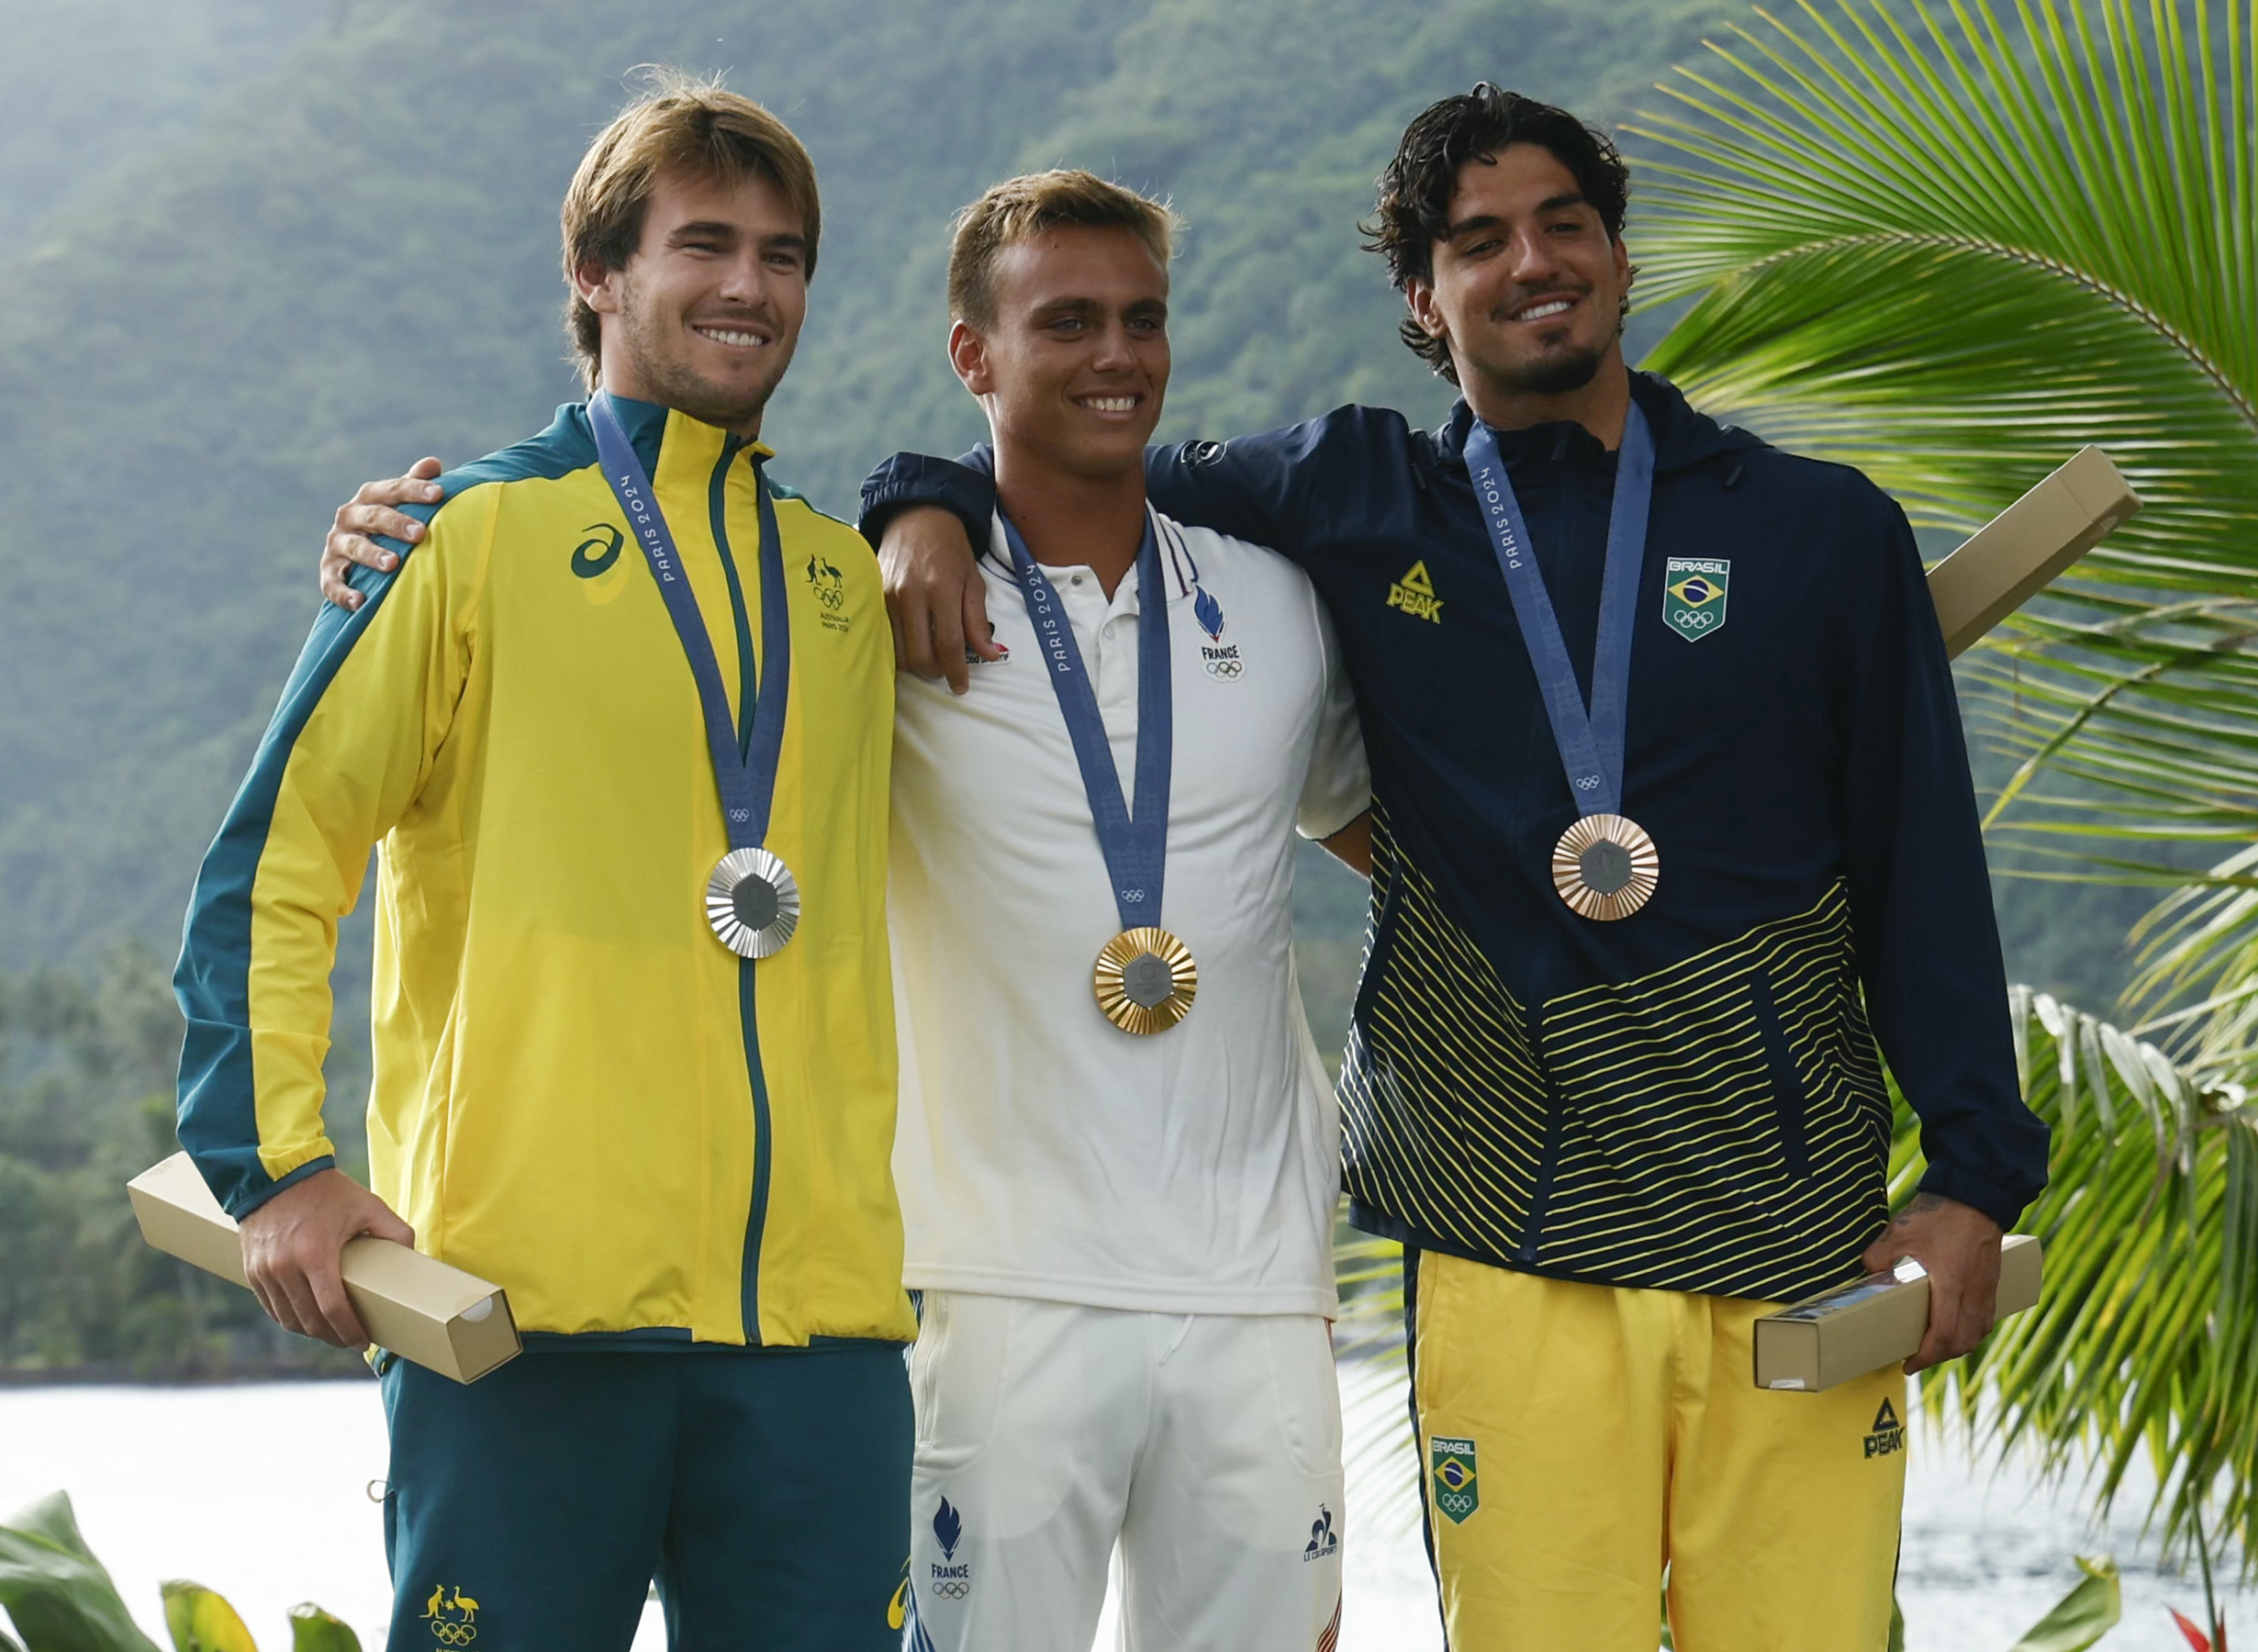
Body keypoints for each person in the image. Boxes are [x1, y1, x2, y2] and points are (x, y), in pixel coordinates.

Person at [858, 86, 2052, 1651]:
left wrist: (1974, 1175)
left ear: (1623, 260)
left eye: (1566, 224)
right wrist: (923, 499)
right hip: (1512, 1240)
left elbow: (1922, 869)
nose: (1531, 262)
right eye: (1478, 241)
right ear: (1424, 300)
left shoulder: (1823, 532)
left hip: (1794, 1233)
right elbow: (1082, 453)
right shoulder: (1353, 502)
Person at [320, 169, 1370, 1652]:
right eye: (1065, 321)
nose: (1115, 355)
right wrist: (925, 502)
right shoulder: (880, 609)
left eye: (1142, 320)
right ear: (972, 355)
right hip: (986, 1289)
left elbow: (1403, 831)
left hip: (1260, 1286)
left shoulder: (1276, 605)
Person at [174, 75, 914, 1652]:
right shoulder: (457, 541)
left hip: (819, 1337)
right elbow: (278, 857)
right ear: (598, 277)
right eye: (702, 244)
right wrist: (277, 1165)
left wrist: (947, 507)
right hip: (518, 1322)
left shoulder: (846, 585)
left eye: (783, 256)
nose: (746, 286)